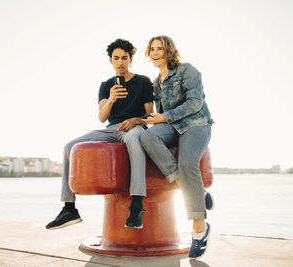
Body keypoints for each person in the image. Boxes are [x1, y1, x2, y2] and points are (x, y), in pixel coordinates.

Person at [46, 39, 153, 230]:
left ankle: (136, 205)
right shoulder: (105, 85)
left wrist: (136, 120)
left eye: (124, 58)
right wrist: (111, 99)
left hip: (134, 127)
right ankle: (69, 208)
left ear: (131, 59)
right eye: (116, 58)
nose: (120, 62)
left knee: (135, 140)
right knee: (70, 146)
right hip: (111, 129)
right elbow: (102, 117)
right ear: (110, 60)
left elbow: (148, 114)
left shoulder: (143, 81)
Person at [140, 35, 214, 259]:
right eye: (152, 49)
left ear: (169, 51)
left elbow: (195, 103)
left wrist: (164, 117)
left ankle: (200, 230)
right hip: (172, 125)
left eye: (160, 48)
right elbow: (157, 113)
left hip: (196, 123)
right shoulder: (156, 82)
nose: (155, 52)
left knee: (187, 164)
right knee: (147, 138)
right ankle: (193, 189)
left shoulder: (187, 70)